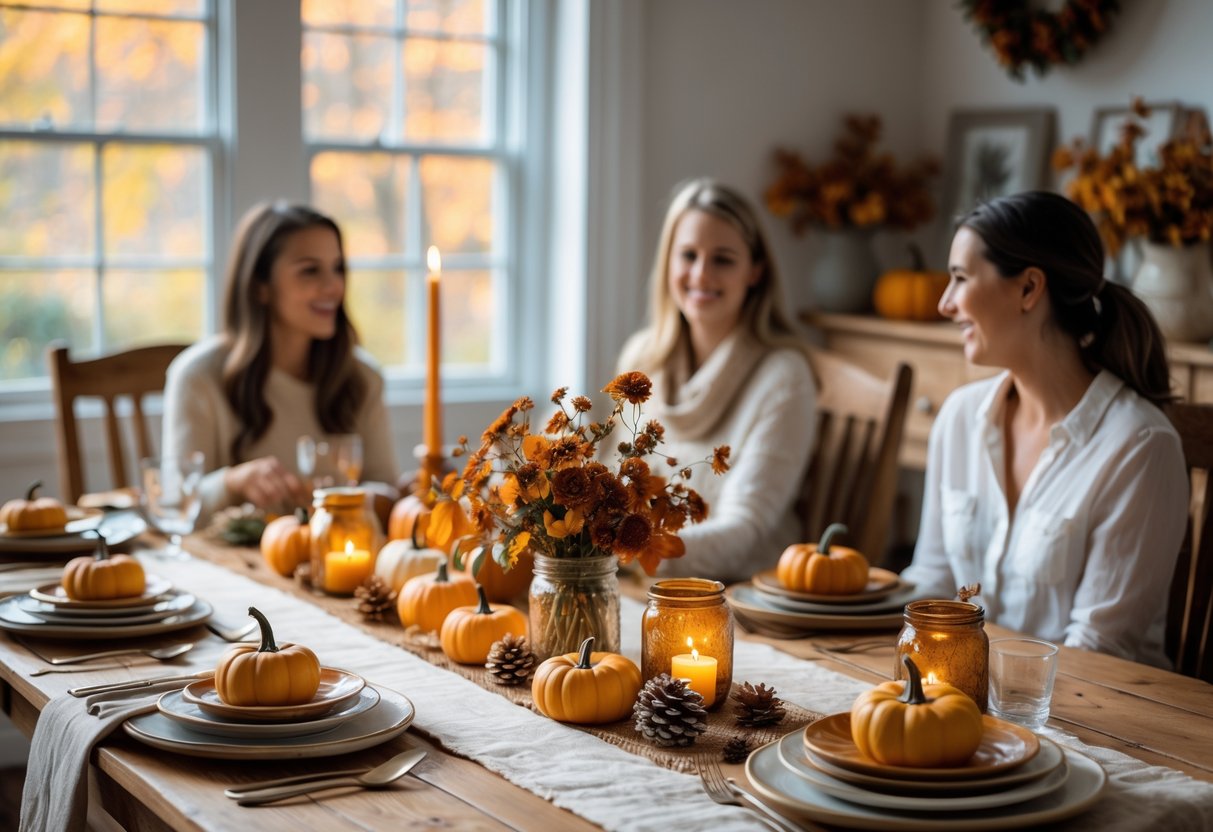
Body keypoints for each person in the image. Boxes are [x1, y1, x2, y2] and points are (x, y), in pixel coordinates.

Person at [902, 190, 1188, 668]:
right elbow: (932, 582)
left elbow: (1097, 653)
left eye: (960, 278)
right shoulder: (959, 417)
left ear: (1029, 289)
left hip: (1103, 723)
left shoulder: (1140, 446)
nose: (944, 304)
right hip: (966, 698)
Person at [617, 178, 817, 582]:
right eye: (688, 255)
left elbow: (745, 529)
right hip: (645, 585)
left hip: (743, 596)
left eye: (723, 259)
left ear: (755, 272)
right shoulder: (643, 358)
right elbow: (615, 482)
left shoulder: (784, 377)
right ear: (668, 263)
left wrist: (634, 549)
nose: (701, 274)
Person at [162, 201, 400, 519]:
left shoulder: (363, 377)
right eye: (310, 270)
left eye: (338, 268)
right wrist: (233, 483)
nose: (334, 287)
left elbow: (385, 488)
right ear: (261, 287)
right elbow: (173, 506)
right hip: (228, 564)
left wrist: (388, 497)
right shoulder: (197, 376)